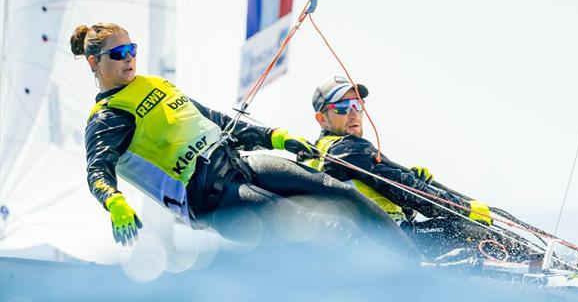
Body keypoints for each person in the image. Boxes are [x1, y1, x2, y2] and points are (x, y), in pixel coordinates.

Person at [72, 23, 417, 254]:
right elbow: (97, 171)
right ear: (93, 63)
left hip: (238, 162)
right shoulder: (108, 117)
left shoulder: (155, 84)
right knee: (318, 226)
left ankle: (411, 262)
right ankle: (382, 285)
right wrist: (115, 203)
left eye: (131, 48)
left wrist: (277, 138)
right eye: (118, 54)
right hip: (211, 194)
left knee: (341, 192)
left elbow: (218, 121)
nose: (129, 57)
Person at [301, 76, 540, 261]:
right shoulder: (349, 148)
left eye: (358, 104)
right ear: (322, 119)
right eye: (342, 108)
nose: (353, 113)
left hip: (367, 241)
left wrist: (409, 193)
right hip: (386, 242)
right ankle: (546, 268)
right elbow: (409, 191)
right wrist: (465, 209)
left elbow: (391, 192)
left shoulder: (315, 152)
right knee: (470, 230)